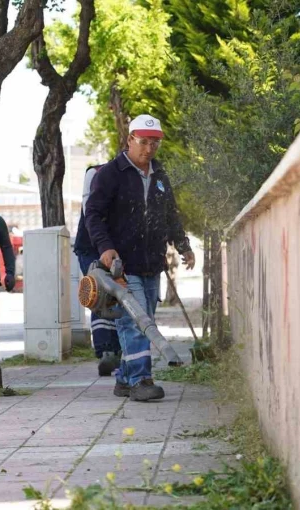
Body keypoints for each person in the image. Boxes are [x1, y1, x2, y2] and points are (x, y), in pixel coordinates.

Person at [85, 114, 196, 402]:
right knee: (135, 323)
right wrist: (105, 248)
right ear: (130, 140)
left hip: (151, 263)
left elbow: (170, 215)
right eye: (143, 142)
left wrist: (183, 246)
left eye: (154, 143)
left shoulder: (159, 176)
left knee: (145, 320)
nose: (149, 149)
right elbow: (93, 215)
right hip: (122, 264)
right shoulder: (110, 174)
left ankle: (123, 378)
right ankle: (141, 380)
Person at [74, 164, 121, 377]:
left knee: (117, 296)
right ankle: (106, 351)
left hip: (115, 248)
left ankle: (114, 351)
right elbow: (89, 211)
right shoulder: (95, 173)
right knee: (100, 296)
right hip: (92, 247)